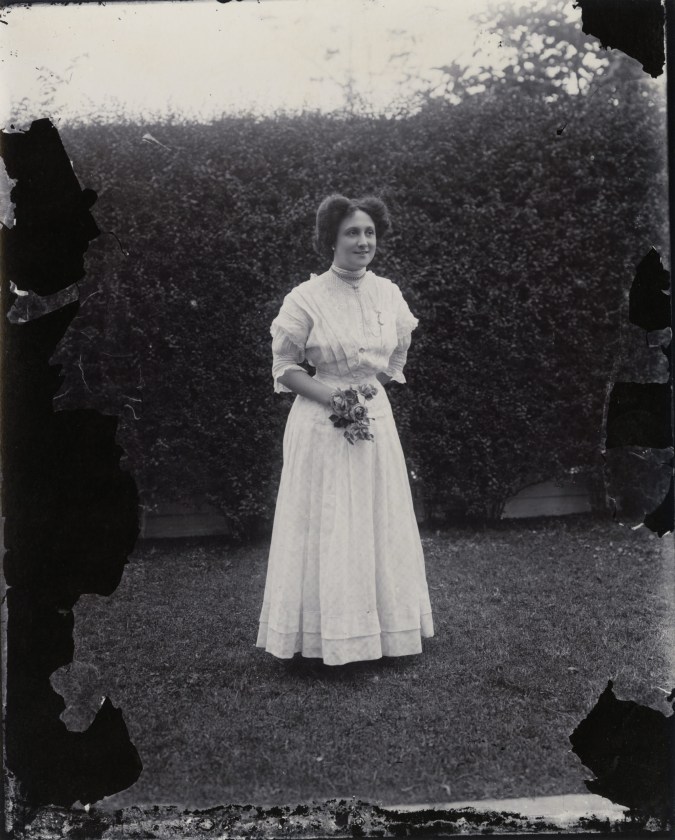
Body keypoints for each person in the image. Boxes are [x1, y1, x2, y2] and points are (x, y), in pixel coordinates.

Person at [256, 194, 434, 666]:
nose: (363, 241)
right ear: (330, 239)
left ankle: (385, 633)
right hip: (321, 424)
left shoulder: (389, 294)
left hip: (375, 421)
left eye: (370, 232)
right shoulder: (306, 297)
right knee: (330, 521)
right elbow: (283, 368)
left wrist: (366, 391)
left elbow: (397, 354)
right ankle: (324, 636)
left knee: (378, 519)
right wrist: (334, 397)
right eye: (352, 233)